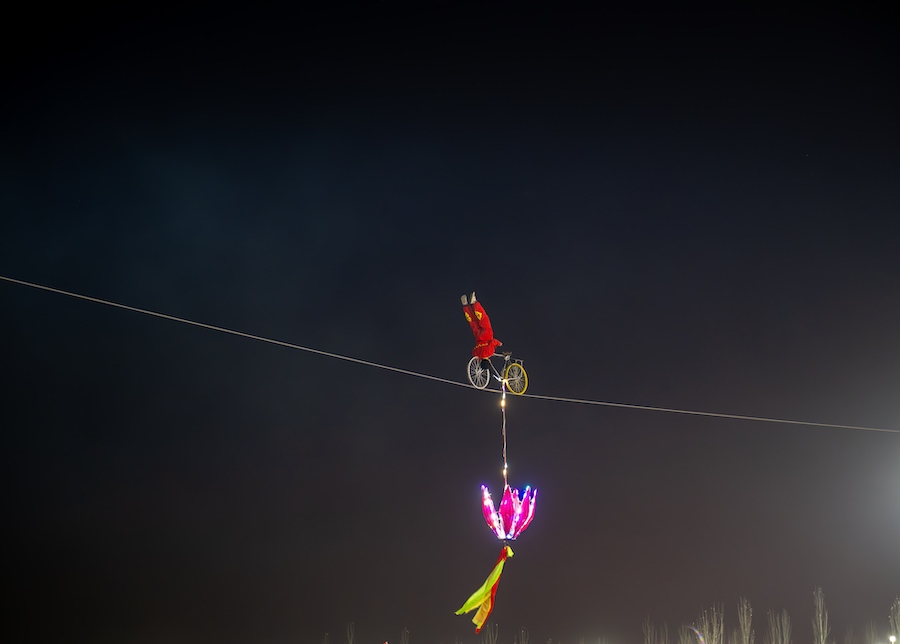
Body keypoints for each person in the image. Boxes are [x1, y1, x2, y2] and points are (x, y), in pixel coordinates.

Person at [461, 291, 502, 359]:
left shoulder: (489, 352)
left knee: (483, 319)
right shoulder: (477, 355)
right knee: (473, 322)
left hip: (487, 335)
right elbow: (473, 350)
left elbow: (493, 342)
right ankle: (465, 306)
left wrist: (499, 343)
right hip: (478, 337)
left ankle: (474, 303)